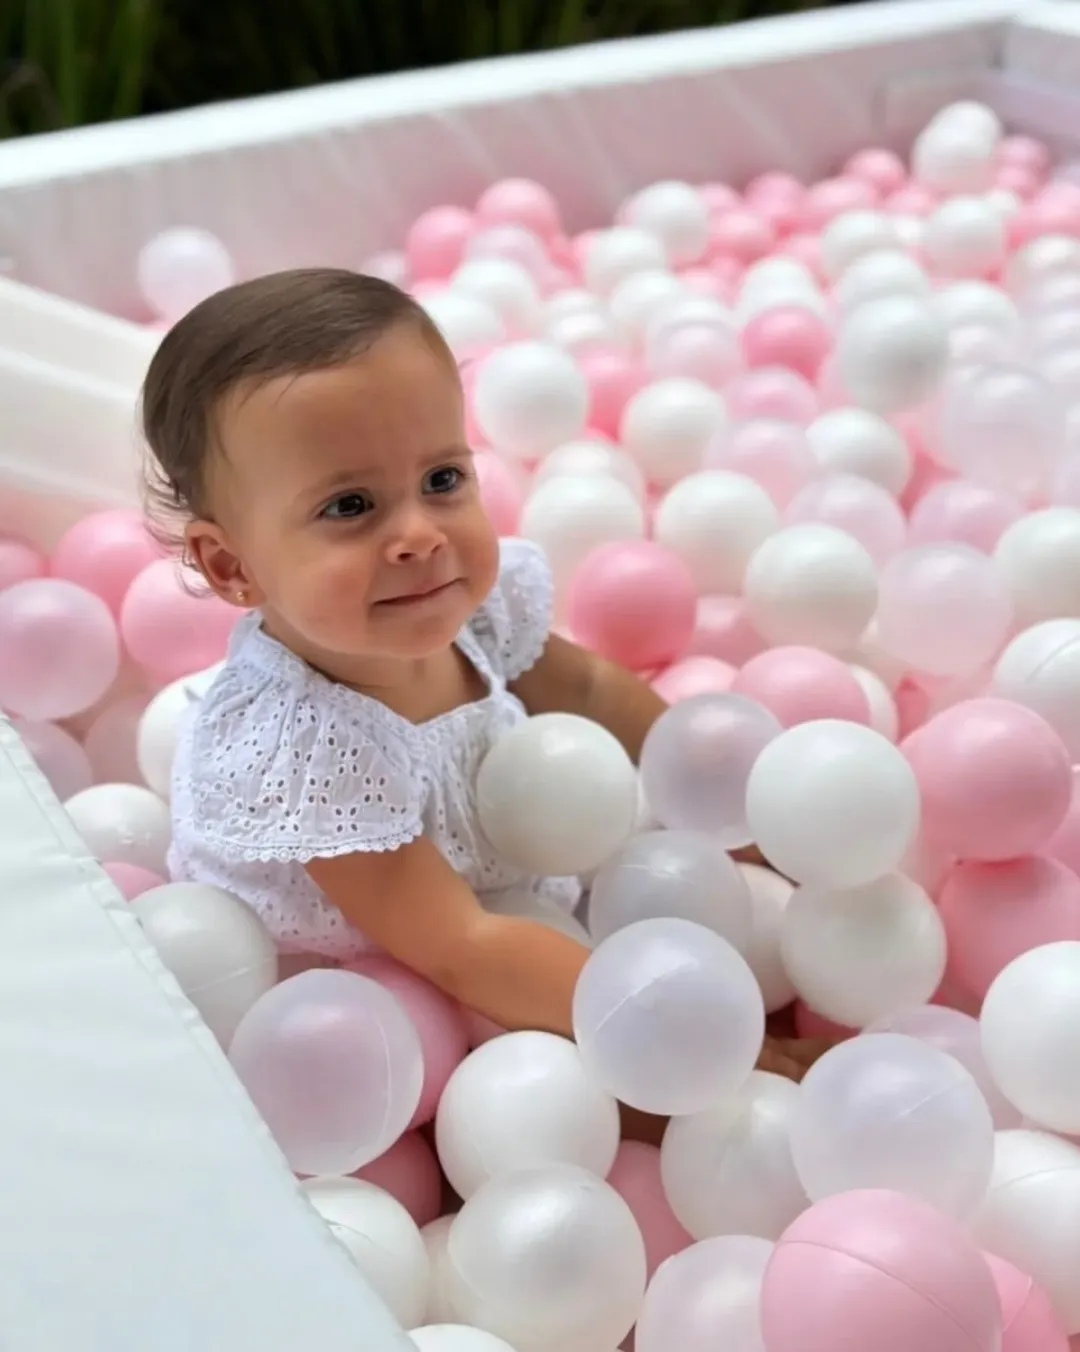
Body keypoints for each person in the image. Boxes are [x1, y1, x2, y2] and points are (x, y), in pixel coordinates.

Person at [142, 267, 826, 1113]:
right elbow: (459, 947)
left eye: (441, 480)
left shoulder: (473, 604)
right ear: (231, 565)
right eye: (351, 506)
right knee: (588, 1103)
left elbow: (587, 686)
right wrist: (691, 1036)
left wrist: (747, 826)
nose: (420, 537)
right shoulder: (307, 749)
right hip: (373, 979)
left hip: (502, 907)